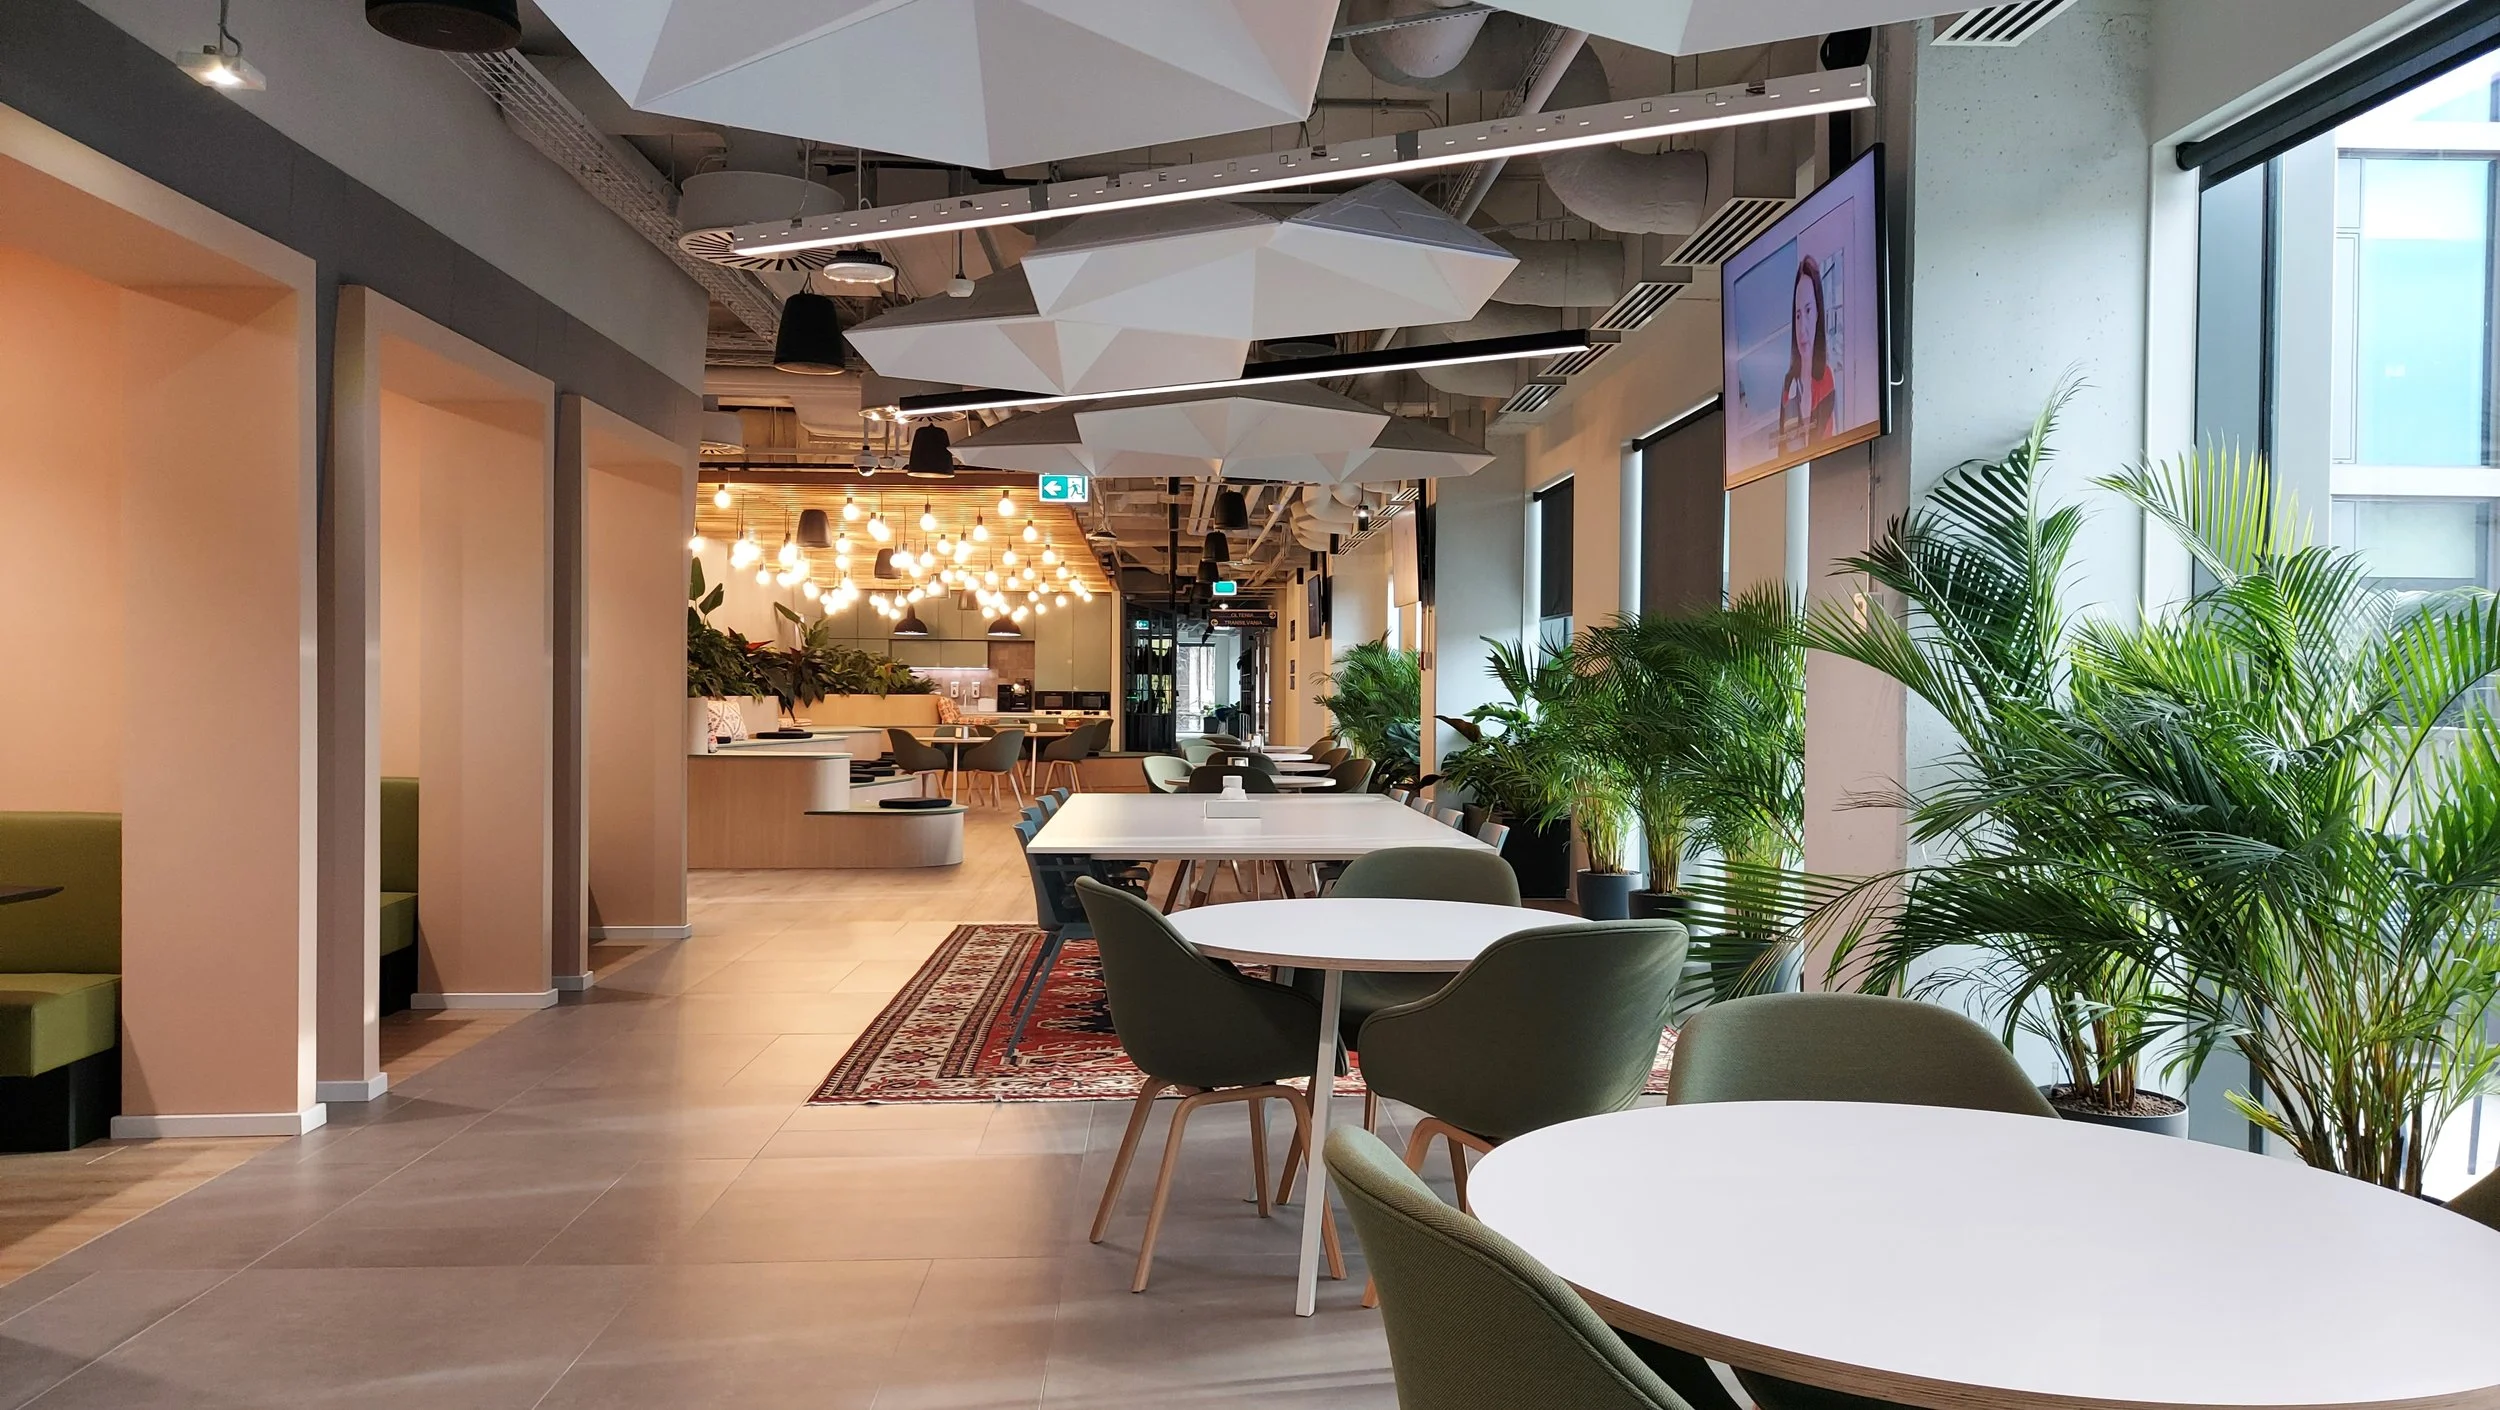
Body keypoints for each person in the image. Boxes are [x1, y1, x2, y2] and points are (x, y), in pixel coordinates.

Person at [1779, 255, 1837, 451]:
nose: (1801, 326)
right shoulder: (1789, 382)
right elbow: (1782, 451)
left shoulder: (1826, 378)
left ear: (1818, 313)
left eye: (1808, 311)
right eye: (1797, 315)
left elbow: (1826, 447)